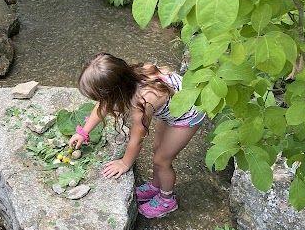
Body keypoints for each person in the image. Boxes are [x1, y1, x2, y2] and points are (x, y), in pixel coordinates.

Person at [68, 53, 205, 218]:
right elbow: (104, 105)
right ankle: (156, 185)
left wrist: (125, 163)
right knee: (157, 148)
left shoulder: (142, 103)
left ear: (115, 92)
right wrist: (83, 132)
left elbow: (137, 139)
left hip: (188, 113)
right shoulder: (130, 75)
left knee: (162, 160)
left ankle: (167, 200)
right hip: (172, 108)